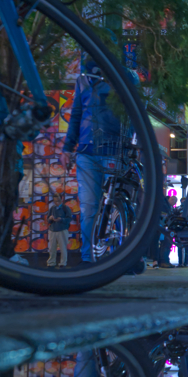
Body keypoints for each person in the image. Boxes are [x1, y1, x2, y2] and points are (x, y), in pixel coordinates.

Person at [62, 58, 125, 265]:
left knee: (115, 204)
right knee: (89, 207)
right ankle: (88, 258)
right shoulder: (82, 81)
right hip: (86, 151)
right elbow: (77, 114)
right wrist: (68, 147)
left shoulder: (119, 77)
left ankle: (120, 254)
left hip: (112, 149)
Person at [47, 193, 73, 267]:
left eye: (58, 201)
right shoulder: (52, 208)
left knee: (63, 248)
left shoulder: (65, 208)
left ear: (61, 199)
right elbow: (48, 220)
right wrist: (50, 219)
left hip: (62, 230)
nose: (57, 203)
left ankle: (63, 263)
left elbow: (69, 219)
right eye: (55, 201)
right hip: (52, 230)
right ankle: (51, 262)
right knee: (52, 248)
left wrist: (61, 219)